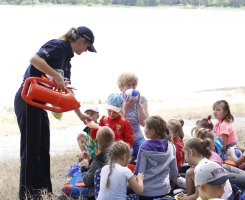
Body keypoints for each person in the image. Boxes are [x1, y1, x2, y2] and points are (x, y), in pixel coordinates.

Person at [14, 26, 97, 200]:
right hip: (27, 100)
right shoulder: (57, 46)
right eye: (87, 47)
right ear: (81, 41)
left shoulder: (67, 60)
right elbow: (34, 59)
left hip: (39, 104)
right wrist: (55, 75)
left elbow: (67, 91)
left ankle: (44, 190)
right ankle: (27, 194)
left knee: (43, 148)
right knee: (31, 149)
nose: (85, 51)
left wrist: (80, 114)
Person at [134, 115, 178, 200]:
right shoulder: (171, 145)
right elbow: (174, 171)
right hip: (165, 191)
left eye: (145, 128)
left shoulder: (144, 147)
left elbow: (139, 173)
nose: (144, 130)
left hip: (146, 193)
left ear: (152, 131)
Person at [117, 72, 149, 162]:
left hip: (138, 137)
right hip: (123, 138)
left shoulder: (142, 99)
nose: (132, 88)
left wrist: (139, 105)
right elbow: (115, 123)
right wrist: (125, 108)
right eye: (128, 85)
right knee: (123, 157)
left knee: (146, 152)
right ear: (121, 87)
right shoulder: (117, 99)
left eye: (134, 85)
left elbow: (144, 124)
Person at [82, 126, 115, 198]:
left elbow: (87, 181)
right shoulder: (116, 156)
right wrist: (90, 160)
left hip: (97, 194)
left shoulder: (98, 160)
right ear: (113, 140)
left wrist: (83, 167)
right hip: (114, 192)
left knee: (67, 188)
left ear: (96, 141)